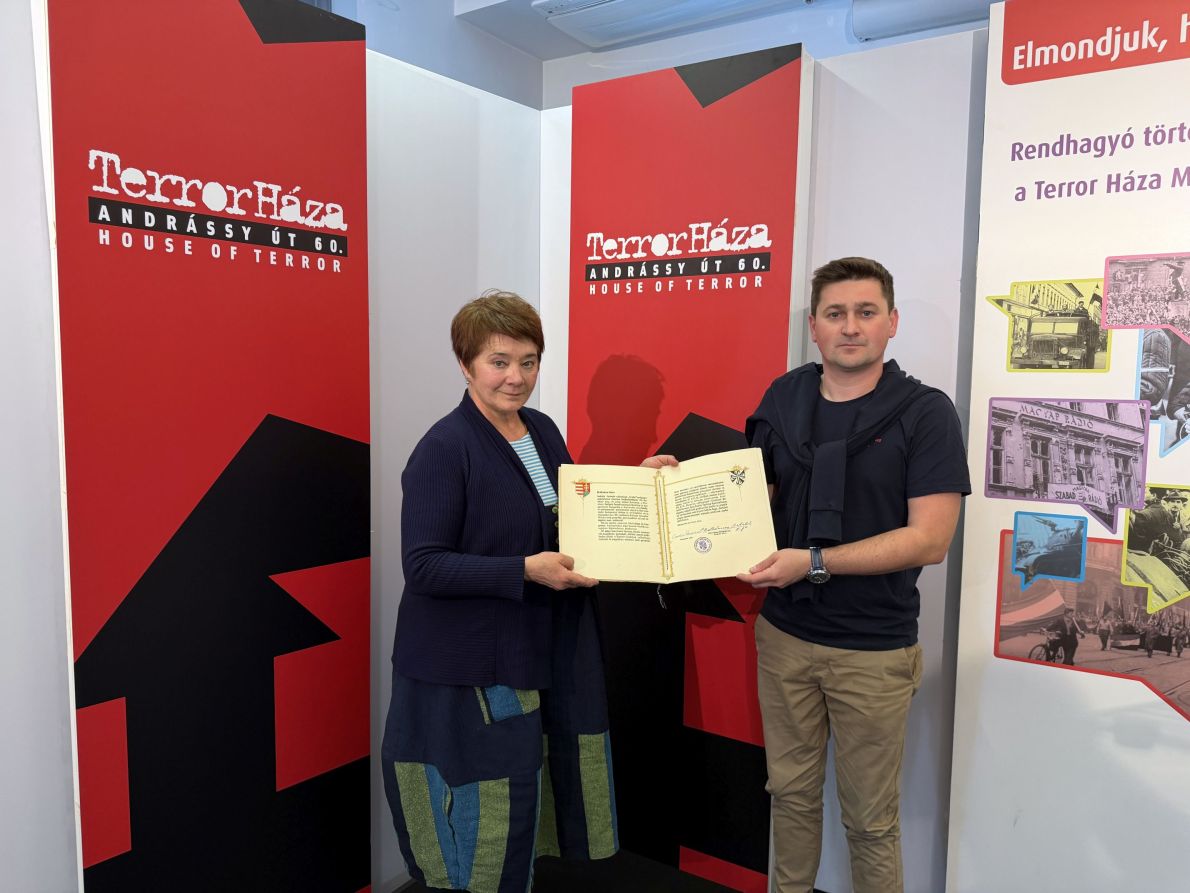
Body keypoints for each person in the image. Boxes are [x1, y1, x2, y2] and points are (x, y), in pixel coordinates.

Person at [737, 257, 970, 893]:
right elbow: (749, 496)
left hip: (873, 651)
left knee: (870, 822)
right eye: (835, 314)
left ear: (891, 322)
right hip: (784, 639)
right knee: (789, 797)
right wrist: (680, 483)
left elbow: (931, 539)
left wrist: (813, 562)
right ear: (813, 326)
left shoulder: (926, 413)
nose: (850, 327)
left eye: (865, 312)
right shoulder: (784, 398)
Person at [380, 291, 617, 893]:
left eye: (529, 362)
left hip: (530, 645)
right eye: (499, 362)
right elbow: (424, 566)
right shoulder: (444, 448)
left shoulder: (541, 430)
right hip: (468, 668)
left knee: (521, 805)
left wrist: (640, 490)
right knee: (481, 823)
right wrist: (523, 571)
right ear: (466, 365)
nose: (517, 377)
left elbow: (568, 515)